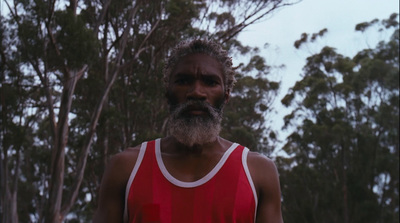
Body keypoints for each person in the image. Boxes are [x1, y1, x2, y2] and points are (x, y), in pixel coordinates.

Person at [93, 39, 283, 223]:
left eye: (210, 82)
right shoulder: (126, 167)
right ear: (168, 91)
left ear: (226, 95)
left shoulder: (258, 172)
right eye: (184, 81)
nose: (196, 92)